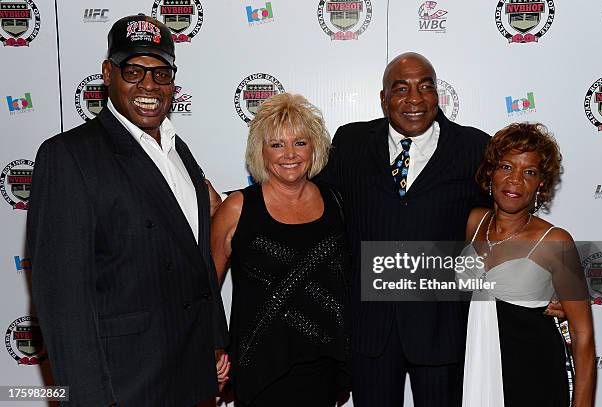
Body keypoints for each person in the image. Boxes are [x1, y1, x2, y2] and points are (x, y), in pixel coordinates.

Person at [27, 14, 229, 406]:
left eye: (161, 73)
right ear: (108, 73)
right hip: (125, 386)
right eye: (133, 71)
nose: (149, 85)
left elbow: (197, 262)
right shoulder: (70, 156)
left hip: (190, 377)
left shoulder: (178, 151)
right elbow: (62, 301)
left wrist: (216, 343)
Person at [318, 52, 491, 406]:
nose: (415, 99)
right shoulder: (350, 143)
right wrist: (236, 202)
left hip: (441, 329)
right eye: (401, 89)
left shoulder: (474, 148)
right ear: (383, 99)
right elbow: (305, 198)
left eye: (426, 86)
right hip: (370, 331)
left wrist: (541, 275)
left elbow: (507, 218)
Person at [211, 93, 350, 407]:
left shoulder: (337, 202)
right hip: (260, 367)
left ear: (314, 147)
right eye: (277, 144)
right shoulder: (237, 208)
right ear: (260, 151)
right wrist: (214, 349)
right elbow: (205, 289)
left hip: (323, 367)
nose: (290, 154)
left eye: (300, 143)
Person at [459, 123, 595, 407]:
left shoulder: (555, 241)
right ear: (490, 171)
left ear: (541, 183)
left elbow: (582, 334)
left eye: (529, 172)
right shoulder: (473, 222)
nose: (515, 180)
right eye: (506, 167)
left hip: (533, 377)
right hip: (472, 370)